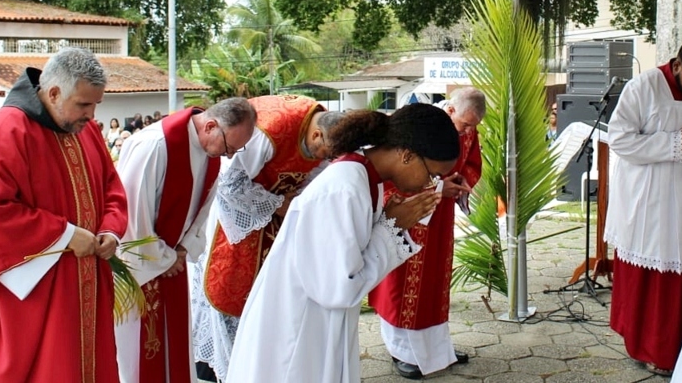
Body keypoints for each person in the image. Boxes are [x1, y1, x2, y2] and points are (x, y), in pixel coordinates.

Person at [225, 103, 460, 383]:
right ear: (408, 154)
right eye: (432, 174)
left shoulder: (365, 178)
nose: (428, 184)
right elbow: (338, 288)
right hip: (296, 329)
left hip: (316, 321)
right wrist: (391, 228)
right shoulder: (344, 188)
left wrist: (388, 222)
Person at [0, 47, 128, 382]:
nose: (92, 115)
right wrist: (66, 235)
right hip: (18, 292)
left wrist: (110, 230)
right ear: (53, 93)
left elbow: (112, 189)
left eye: (96, 104)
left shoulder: (86, 132)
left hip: (78, 289)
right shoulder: (3, 131)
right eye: (84, 104)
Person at [191, 95, 346, 382]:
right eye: (321, 151)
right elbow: (230, 185)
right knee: (232, 293)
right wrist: (277, 205)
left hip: (277, 222)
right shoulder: (270, 132)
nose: (321, 159)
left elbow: (316, 176)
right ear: (315, 134)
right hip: (240, 221)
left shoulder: (324, 127)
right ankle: (225, 370)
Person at [604, 39, 682, 376]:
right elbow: (619, 138)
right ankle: (645, 344)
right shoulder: (643, 87)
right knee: (650, 264)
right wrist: (676, 142)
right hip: (647, 193)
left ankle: (681, 346)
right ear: (676, 65)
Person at [114, 98, 256, 383]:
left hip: (171, 266)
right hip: (140, 272)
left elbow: (203, 211)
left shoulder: (210, 152)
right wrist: (165, 259)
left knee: (174, 348)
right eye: (229, 147)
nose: (229, 156)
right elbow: (131, 213)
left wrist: (182, 250)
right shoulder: (155, 145)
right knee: (139, 355)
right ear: (211, 125)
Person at [369, 87, 485, 380]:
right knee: (401, 284)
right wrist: (437, 187)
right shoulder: (418, 126)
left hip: (440, 215)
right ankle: (401, 351)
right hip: (408, 210)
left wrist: (459, 183)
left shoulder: (468, 130)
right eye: (465, 123)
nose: (468, 130)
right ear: (450, 111)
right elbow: (398, 171)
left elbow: (471, 164)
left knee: (434, 282)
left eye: (473, 126)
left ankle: (438, 349)